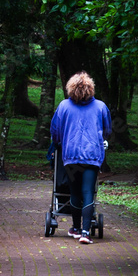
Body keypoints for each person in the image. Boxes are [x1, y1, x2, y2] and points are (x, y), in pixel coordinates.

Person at [50, 71, 111, 244]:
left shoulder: (63, 106)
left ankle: (75, 228)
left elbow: (55, 131)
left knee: (75, 192)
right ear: (91, 88)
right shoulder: (100, 107)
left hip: (71, 156)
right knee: (88, 192)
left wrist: (59, 142)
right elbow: (107, 130)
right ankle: (85, 232)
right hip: (92, 156)